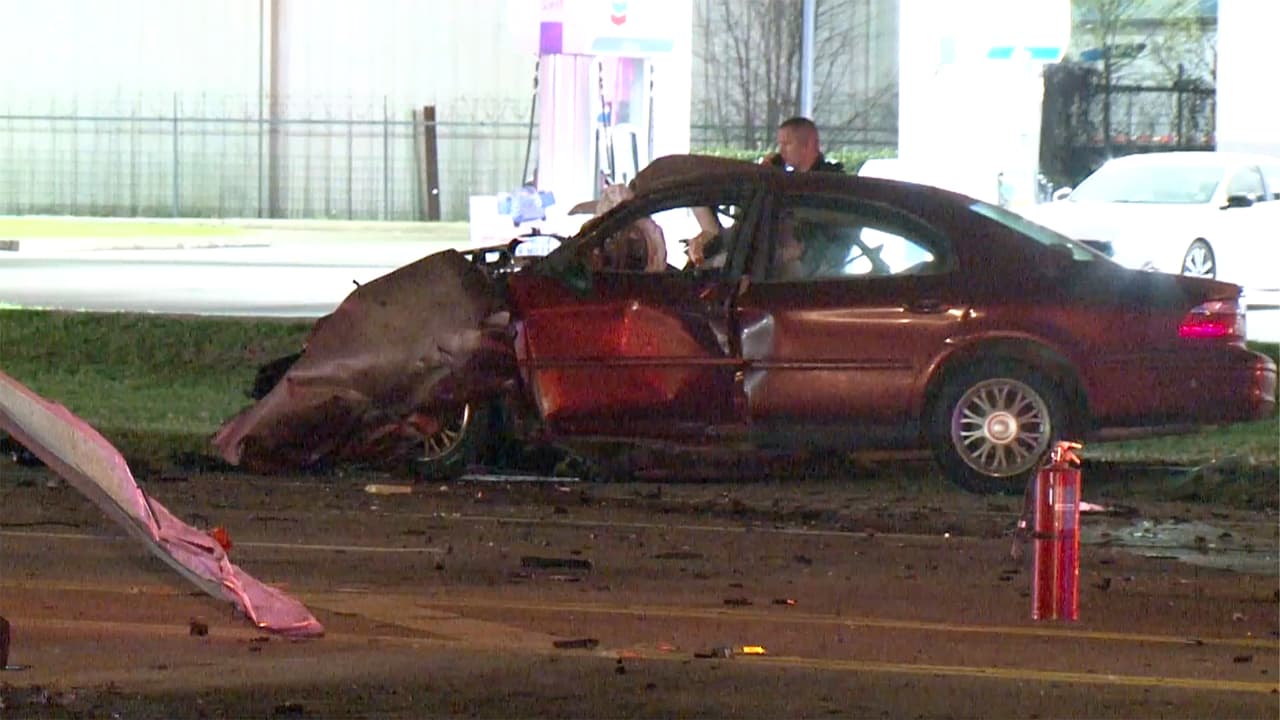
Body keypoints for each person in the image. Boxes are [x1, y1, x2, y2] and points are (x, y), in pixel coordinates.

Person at [763, 116, 844, 174]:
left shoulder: (833, 181)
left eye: (787, 144)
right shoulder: (789, 180)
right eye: (780, 144)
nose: (781, 151)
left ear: (809, 144)